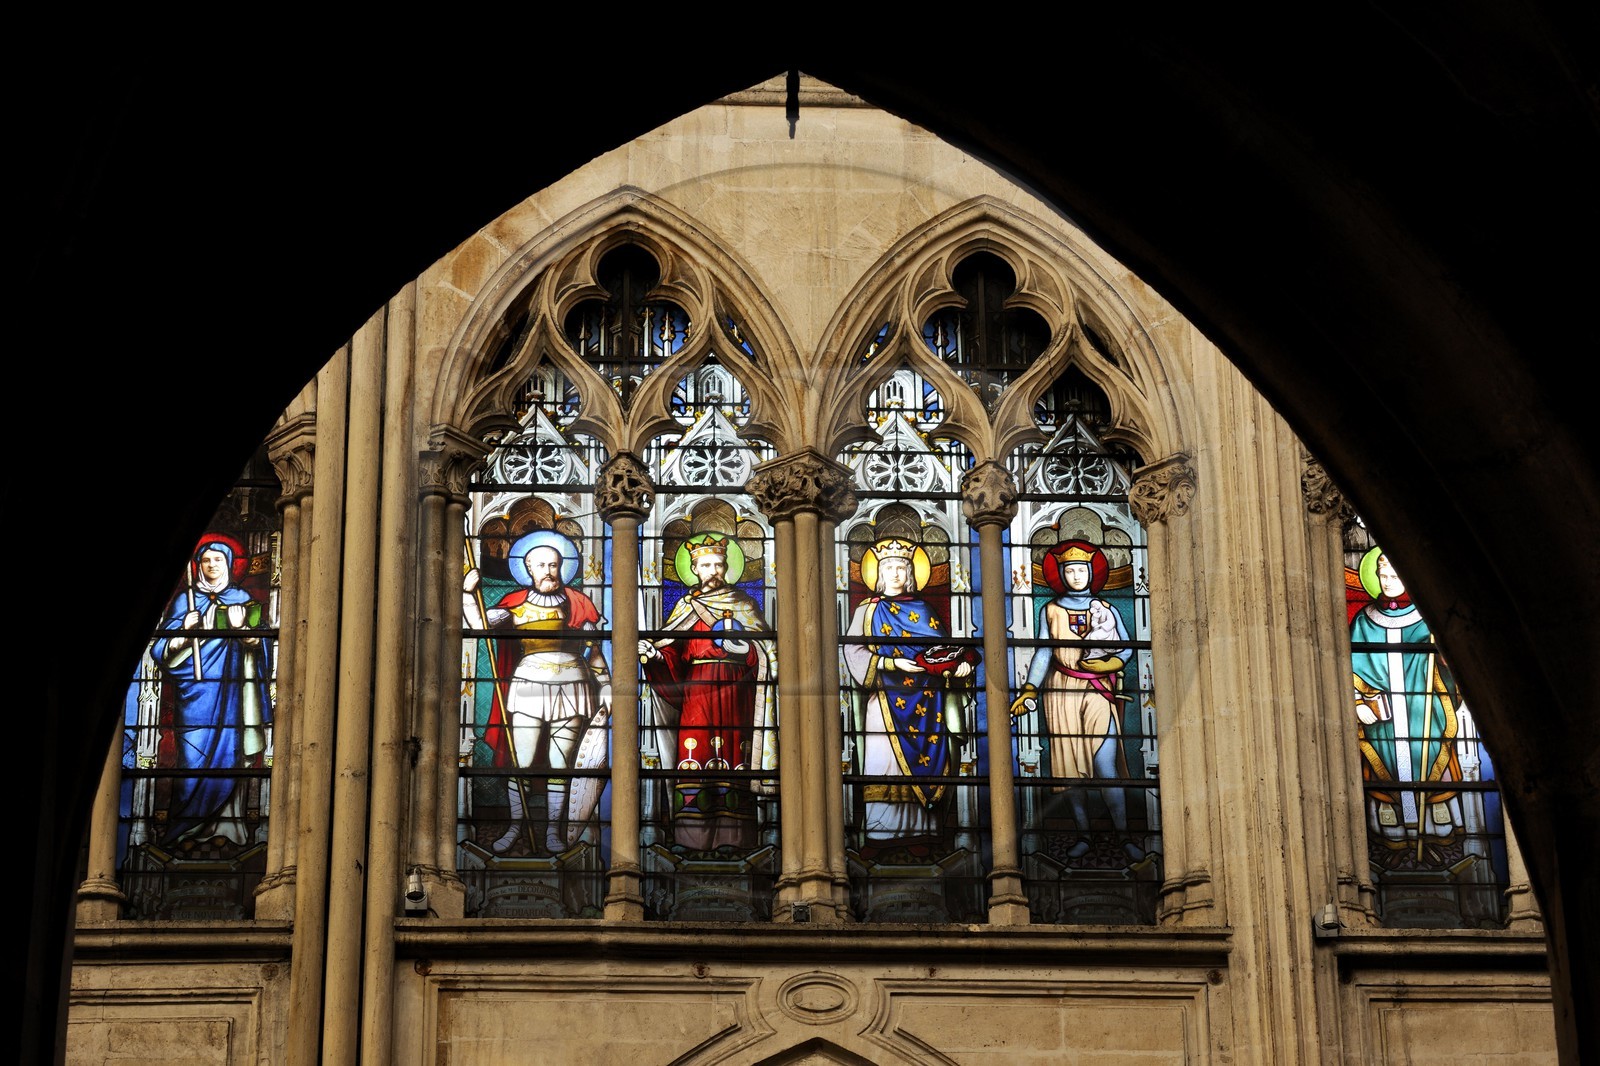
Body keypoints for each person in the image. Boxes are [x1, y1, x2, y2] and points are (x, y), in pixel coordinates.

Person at [464, 530, 611, 854]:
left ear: (562, 568)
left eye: (554, 565)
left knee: (560, 765)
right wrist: (466, 593)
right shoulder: (516, 606)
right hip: (528, 686)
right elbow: (479, 627)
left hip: (574, 686)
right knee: (523, 761)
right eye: (541, 565)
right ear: (528, 568)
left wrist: (607, 686)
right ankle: (518, 827)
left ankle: (552, 834)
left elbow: (596, 652)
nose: (548, 571)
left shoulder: (579, 604)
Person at [638, 533, 775, 851]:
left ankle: (735, 839)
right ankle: (690, 839)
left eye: (718, 564)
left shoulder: (743, 604)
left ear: (727, 567)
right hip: (697, 690)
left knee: (733, 755)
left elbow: (766, 651)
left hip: (735, 689)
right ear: (695, 569)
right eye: (705, 564)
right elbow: (673, 652)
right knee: (695, 755)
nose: (713, 570)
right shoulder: (685, 607)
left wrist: (743, 648)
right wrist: (655, 655)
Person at [842, 537, 976, 843]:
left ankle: (920, 835)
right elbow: (854, 652)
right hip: (885, 699)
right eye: (888, 567)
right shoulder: (868, 610)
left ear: (910, 573)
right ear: (878, 573)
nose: (895, 573)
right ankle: (877, 834)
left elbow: (944, 652)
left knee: (925, 762)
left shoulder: (924, 608)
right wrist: (892, 664)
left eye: (901, 567)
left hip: (928, 702)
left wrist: (958, 667)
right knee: (881, 760)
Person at [1011, 539, 1135, 859]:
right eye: (1071, 570)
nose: (1077, 575)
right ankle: (1084, 836)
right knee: (1069, 769)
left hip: (1097, 689)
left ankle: (1125, 837)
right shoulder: (1050, 610)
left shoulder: (1106, 609)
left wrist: (1111, 663)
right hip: (1060, 692)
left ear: (1091, 573)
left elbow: (1125, 647)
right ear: (1061, 575)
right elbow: (1043, 652)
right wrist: (1029, 690)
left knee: (1105, 764)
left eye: (1082, 570)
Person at [150, 539, 272, 845]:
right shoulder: (185, 602)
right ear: (199, 566)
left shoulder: (240, 598)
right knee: (192, 760)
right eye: (206, 561)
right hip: (193, 695)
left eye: (218, 560)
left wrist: (244, 632)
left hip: (231, 694)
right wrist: (183, 632)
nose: (212, 565)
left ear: (229, 564)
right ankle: (186, 828)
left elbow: (261, 648)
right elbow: (159, 650)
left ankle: (226, 827)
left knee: (229, 758)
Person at [1350, 547, 1462, 856]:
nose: (1387, 581)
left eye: (1393, 575)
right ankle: (1392, 832)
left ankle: (1440, 829)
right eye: (1382, 575)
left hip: (1423, 708)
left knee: (1433, 752)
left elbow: (1455, 664)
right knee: (1378, 765)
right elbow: (1351, 669)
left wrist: (1441, 654)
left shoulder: (1428, 619)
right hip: (1381, 719)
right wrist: (1359, 702)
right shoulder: (1363, 622)